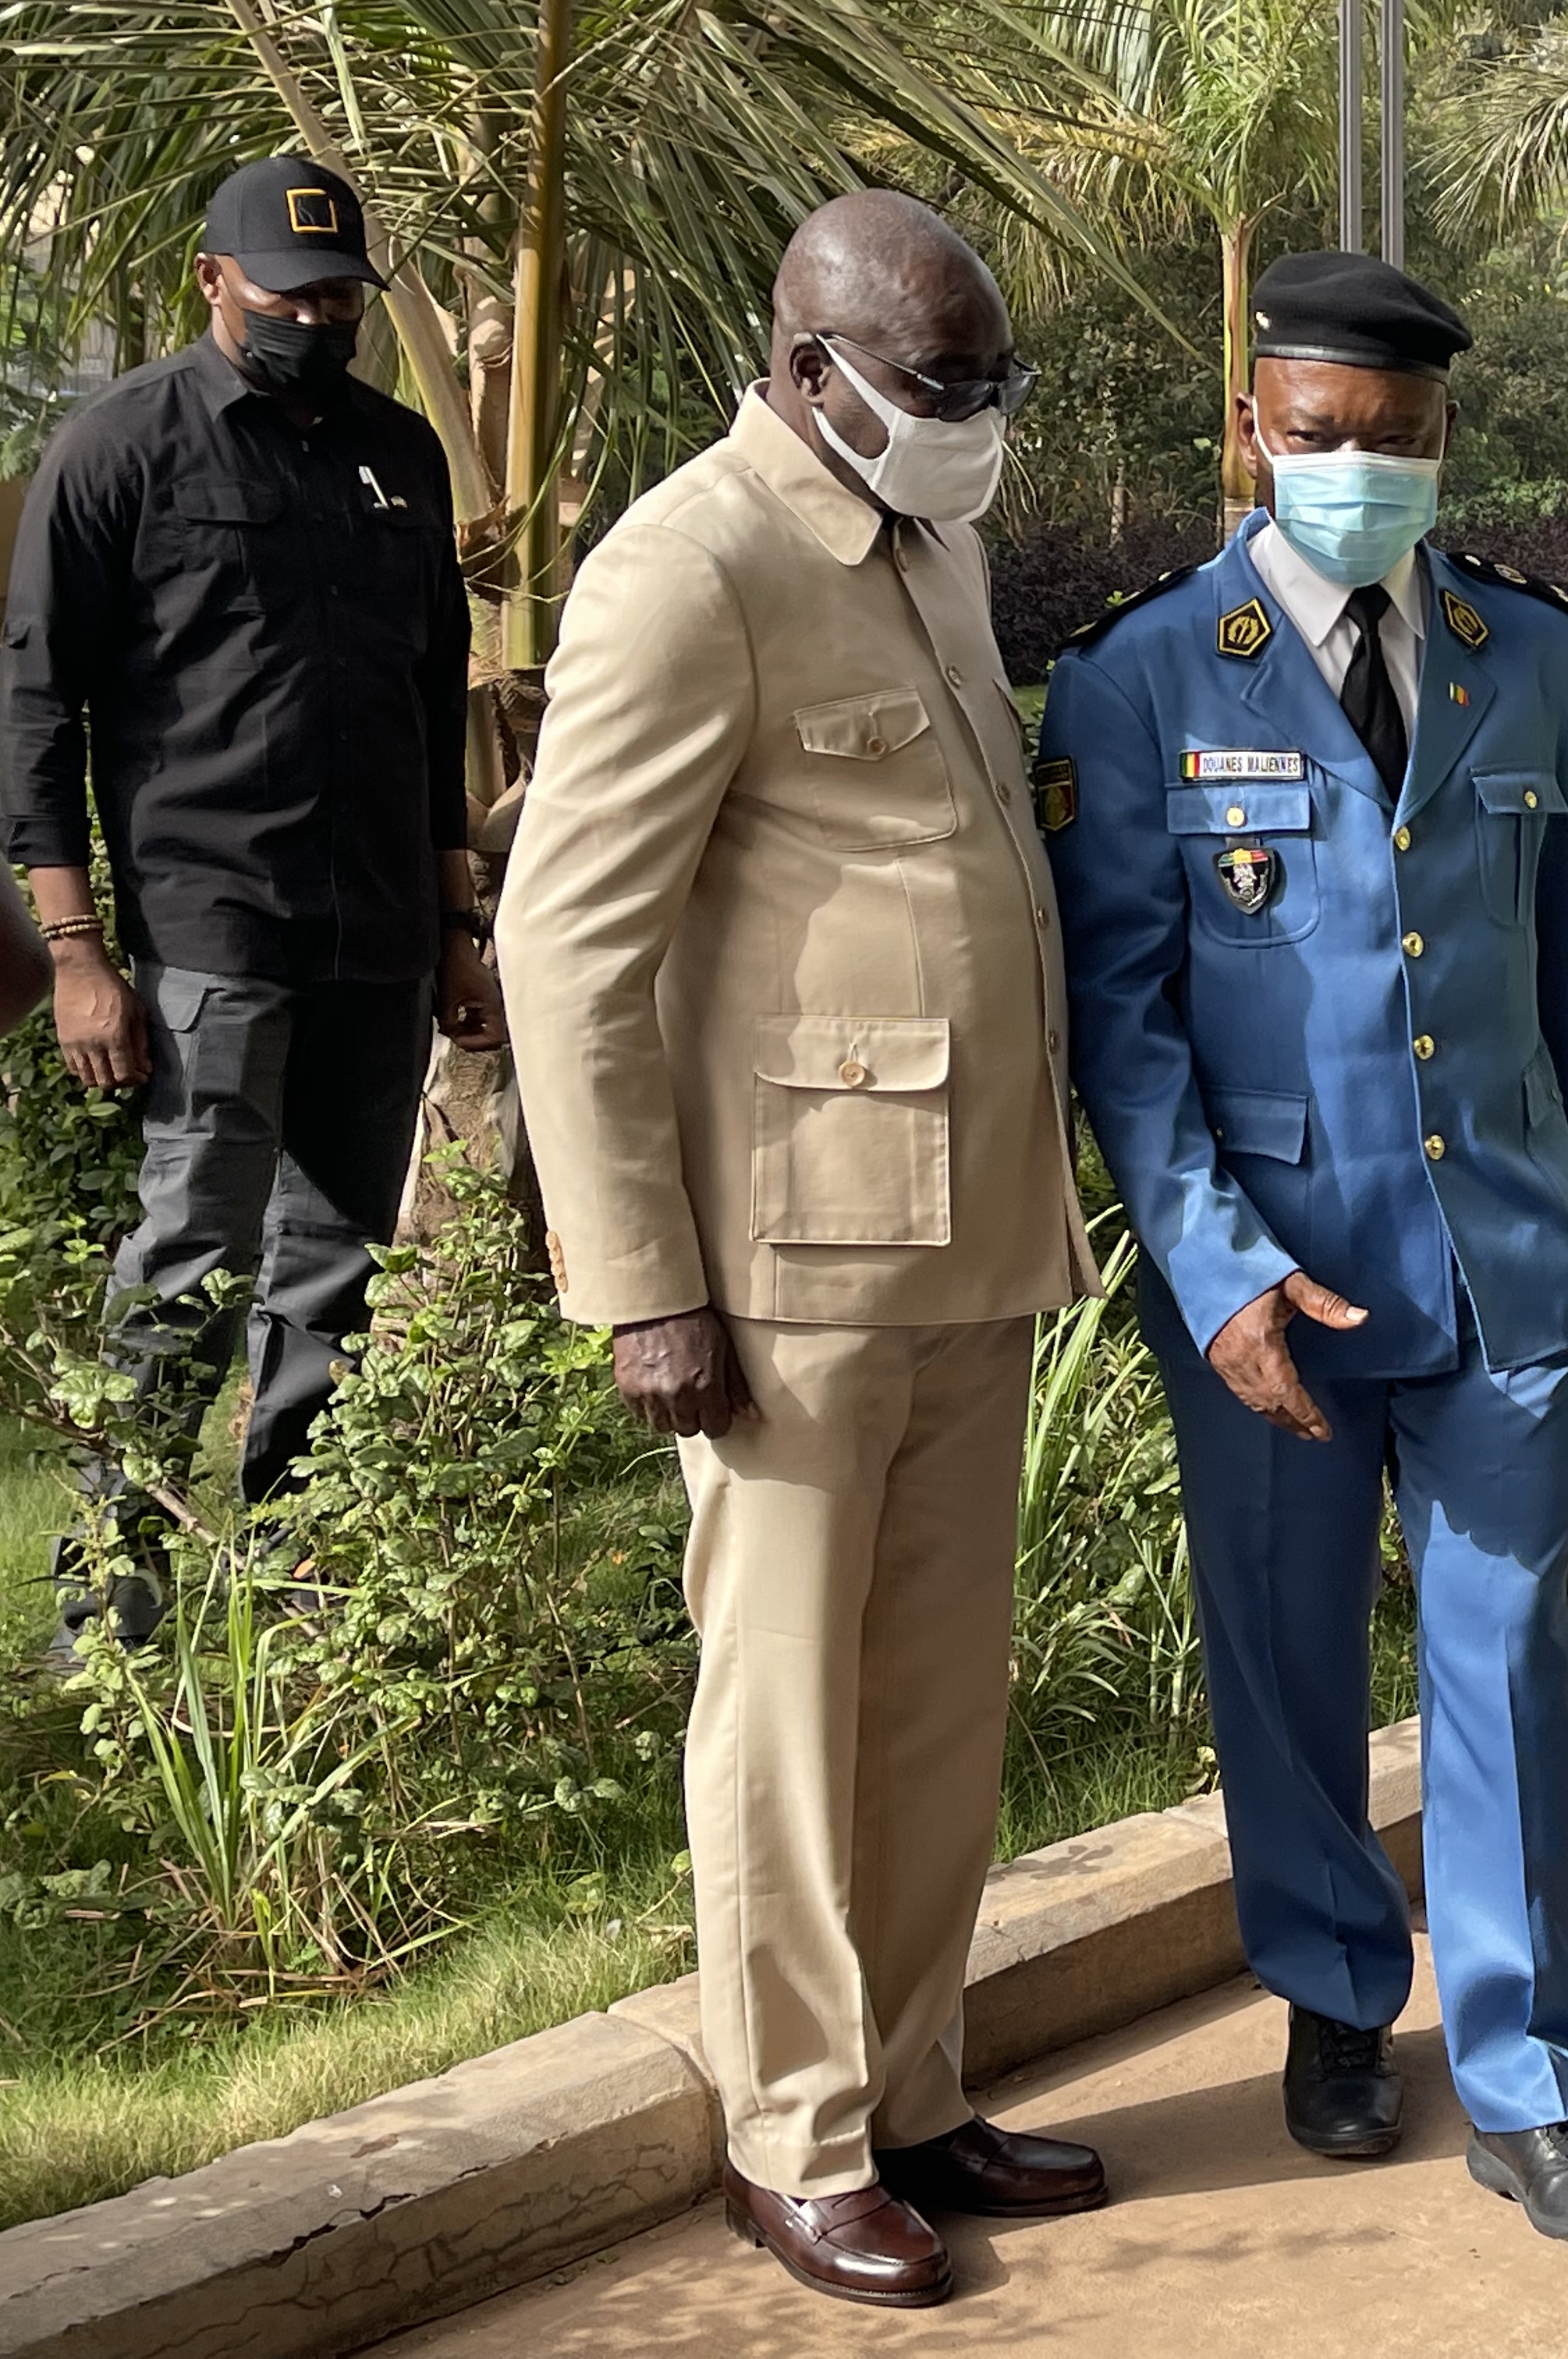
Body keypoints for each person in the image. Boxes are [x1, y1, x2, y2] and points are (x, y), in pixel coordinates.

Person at [498, 190, 1110, 2312]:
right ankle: (795, 2137)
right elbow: (567, 944)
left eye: (994, 382)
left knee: (934, 1708)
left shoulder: (927, 538)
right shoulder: (691, 566)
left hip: (964, 1232)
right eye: (943, 384)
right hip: (783, 1267)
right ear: (810, 368)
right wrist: (644, 1282)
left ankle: (914, 2089)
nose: (977, 418)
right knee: (781, 1717)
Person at [1040, 251, 1568, 2249]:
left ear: (1444, 437)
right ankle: (1330, 1988)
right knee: (1287, 1656)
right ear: (1254, 428)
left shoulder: (1525, 653)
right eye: (1323, 434)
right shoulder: (1143, 675)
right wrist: (1213, 1270)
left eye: (1400, 438)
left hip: (1502, 1262)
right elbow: (1125, 1024)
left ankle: (1536, 2081)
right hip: (1275, 1283)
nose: (1361, 469)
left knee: (1508, 1661)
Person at [0, 156, 505, 1649]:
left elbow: (433, 705)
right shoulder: (121, 448)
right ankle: (114, 1621)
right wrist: (76, 949)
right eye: (291, 298)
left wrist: (458, 929)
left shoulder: (402, 456)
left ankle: (301, 1596)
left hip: (381, 938)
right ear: (214, 280)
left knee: (337, 1270)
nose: (318, 321)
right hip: (209, 936)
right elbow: (36, 712)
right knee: (189, 1262)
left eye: (341, 298)